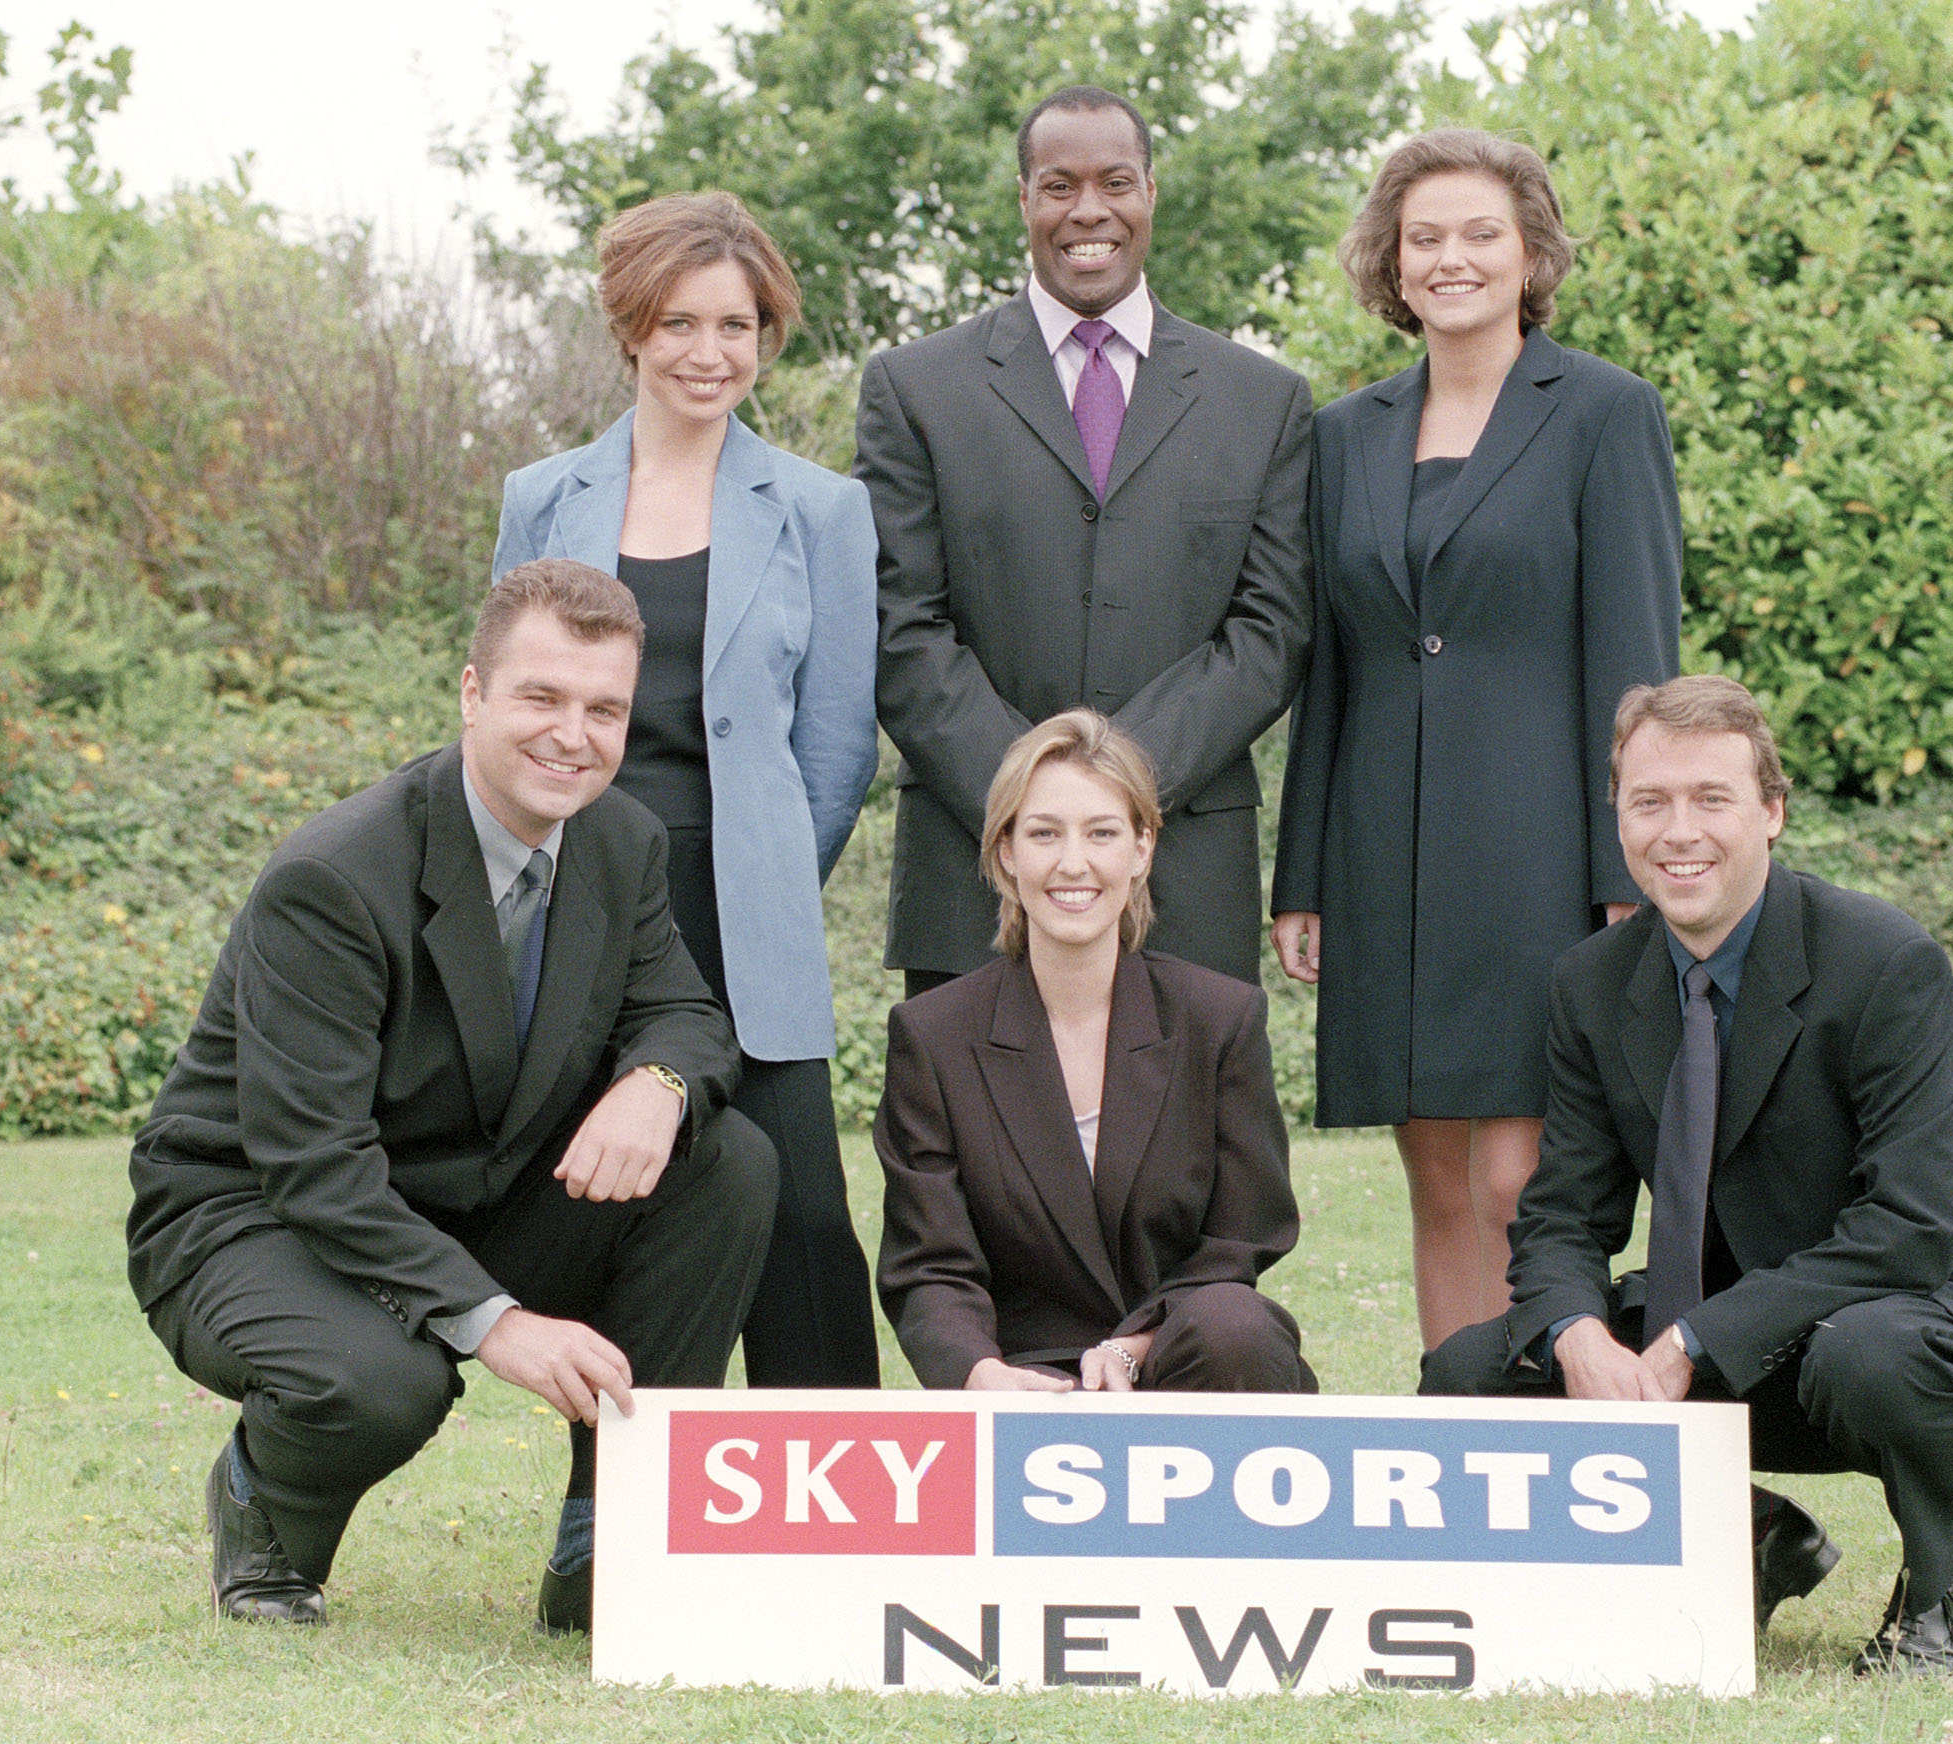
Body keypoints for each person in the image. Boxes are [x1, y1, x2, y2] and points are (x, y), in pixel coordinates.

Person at [126, 559, 779, 1635]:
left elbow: (687, 1015)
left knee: (726, 1159)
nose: (574, 734)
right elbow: (312, 1162)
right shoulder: (333, 877)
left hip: (476, 1188)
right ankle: (263, 1514)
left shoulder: (622, 842)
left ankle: (610, 1540)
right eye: (542, 697)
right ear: (472, 692)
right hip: (255, 1212)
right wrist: (500, 1323)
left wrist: (655, 1085)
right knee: (383, 1380)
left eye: (603, 708)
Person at [1420, 676, 1953, 1678]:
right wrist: (1576, 1335)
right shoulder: (1589, 982)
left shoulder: (1883, 960)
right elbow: (1560, 1219)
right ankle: (1749, 1537)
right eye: (1647, 802)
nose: (1679, 832)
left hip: (1909, 1320)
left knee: (1868, 1353)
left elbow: (1912, 1226)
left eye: (1710, 798)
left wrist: (1690, 1341)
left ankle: (1936, 1585)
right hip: (1709, 1330)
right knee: (1466, 1371)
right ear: (1616, 816)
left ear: (1770, 810)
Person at [1272, 129, 1680, 1353]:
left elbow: (1635, 658)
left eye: (1479, 234)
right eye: (1423, 238)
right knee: (1438, 1181)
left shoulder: (1605, 412)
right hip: (1379, 851)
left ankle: (1550, 1434)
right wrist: (1301, 875)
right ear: (1390, 266)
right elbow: (1326, 666)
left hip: (1537, 850)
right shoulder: (1342, 434)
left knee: (1520, 1182)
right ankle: (1459, 1426)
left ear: (1530, 253)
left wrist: (1631, 869)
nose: (1450, 259)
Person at [491, 192, 883, 1389]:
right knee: (622, 1213)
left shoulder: (822, 509)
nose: (711, 353)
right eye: (680, 324)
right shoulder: (541, 498)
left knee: (803, 1226)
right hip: (580, 908)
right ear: (629, 328)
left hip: (745, 907)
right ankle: (611, 1527)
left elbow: (838, 745)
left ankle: (838, 1525)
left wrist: (760, 876)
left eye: (739, 325)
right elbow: (511, 716)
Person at [856, 84, 1313, 996]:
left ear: (1151, 192)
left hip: (1182, 868)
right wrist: (1032, 805)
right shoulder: (915, 389)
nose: (1088, 211)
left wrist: (1113, 796)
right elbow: (899, 627)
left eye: (1115, 182)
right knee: (980, 1140)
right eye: (1059, 186)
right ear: (1024, 200)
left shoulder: (1262, 401)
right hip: (973, 868)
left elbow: (1270, 633)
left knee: (1183, 1141)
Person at [876, 710, 1311, 1394]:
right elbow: (930, 1264)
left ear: (1141, 851)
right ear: (1005, 854)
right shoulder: (933, 1035)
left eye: (1101, 833)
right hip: (1023, 1381)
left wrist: (1132, 1347)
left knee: (1237, 1323)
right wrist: (976, 1372)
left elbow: (1240, 1238)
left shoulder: (1219, 1019)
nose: (1071, 863)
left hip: (1177, 1354)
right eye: (1043, 833)